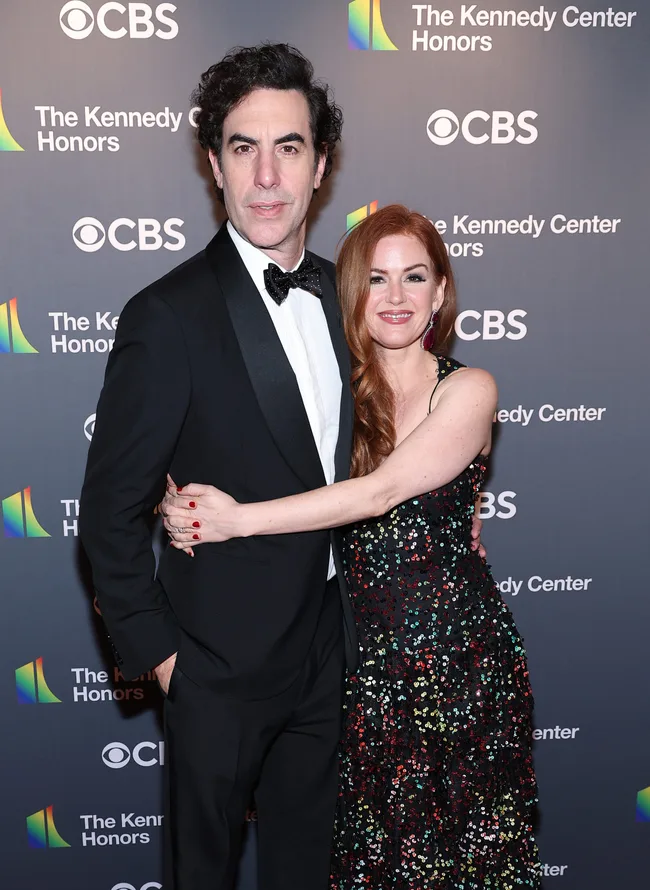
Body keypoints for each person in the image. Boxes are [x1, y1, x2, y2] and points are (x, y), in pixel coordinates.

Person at [162, 205, 541, 889]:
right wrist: (178, 498)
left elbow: (380, 493)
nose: (395, 298)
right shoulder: (337, 396)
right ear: (353, 296)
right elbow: (239, 439)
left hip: (456, 665)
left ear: (441, 293)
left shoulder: (470, 389)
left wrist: (236, 520)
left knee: (463, 860)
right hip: (357, 668)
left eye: (414, 277)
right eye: (376, 279)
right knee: (372, 862)